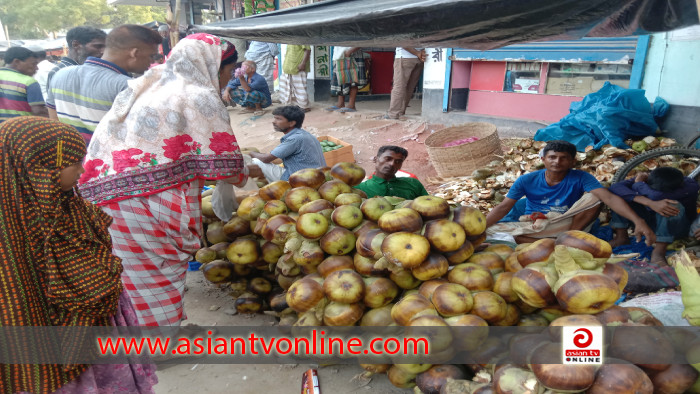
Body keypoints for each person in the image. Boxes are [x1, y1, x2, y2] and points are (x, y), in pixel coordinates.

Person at [78, 33, 247, 327]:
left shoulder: (149, 84)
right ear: (213, 66)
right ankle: (158, 347)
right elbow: (225, 167)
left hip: (106, 197)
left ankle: (158, 329)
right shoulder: (197, 95)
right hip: (145, 203)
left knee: (136, 274)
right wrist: (250, 169)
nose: (228, 80)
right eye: (230, 72)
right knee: (157, 273)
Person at [0, 116, 157, 393]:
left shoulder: (65, 202)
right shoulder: (21, 229)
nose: (82, 171)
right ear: (40, 169)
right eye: (74, 163)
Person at [486, 140, 656, 244]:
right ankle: (555, 243)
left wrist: (638, 220)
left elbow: (609, 198)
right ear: (543, 159)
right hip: (535, 226)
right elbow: (503, 207)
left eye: (563, 158)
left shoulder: (581, 177)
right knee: (490, 232)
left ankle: (567, 238)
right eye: (552, 157)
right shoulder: (526, 179)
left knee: (595, 196)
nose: (557, 162)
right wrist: (481, 227)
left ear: (572, 161)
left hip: (567, 223)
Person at [46, 24, 162, 143]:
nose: (153, 61)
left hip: (70, 156)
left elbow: (54, 122)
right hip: (106, 159)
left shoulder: (60, 75)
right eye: (151, 55)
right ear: (134, 53)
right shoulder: (127, 86)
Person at [609, 167, 699, 265]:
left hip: (676, 228)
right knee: (617, 197)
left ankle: (659, 251)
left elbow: (657, 196)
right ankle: (621, 237)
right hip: (649, 223)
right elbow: (614, 188)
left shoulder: (690, 186)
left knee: (670, 205)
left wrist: (638, 184)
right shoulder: (651, 177)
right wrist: (648, 202)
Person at [247, 105, 326, 182]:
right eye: (275, 118)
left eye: (279, 119)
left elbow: (266, 159)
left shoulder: (294, 139)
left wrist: (250, 153)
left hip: (302, 180)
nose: (274, 122)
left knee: (255, 161)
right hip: (317, 176)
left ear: (291, 123)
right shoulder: (304, 134)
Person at [46, 26, 107, 93]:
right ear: (76, 45)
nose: (103, 51)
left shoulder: (92, 70)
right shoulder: (58, 72)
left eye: (105, 47)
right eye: (98, 46)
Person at [355, 145, 429, 199]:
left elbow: (429, 205)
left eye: (398, 161)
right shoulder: (359, 189)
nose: (392, 164)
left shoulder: (413, 183)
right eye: (388, 159)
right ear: (375, 159)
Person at [0, 47, 47, 122]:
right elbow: (38, 112)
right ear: (17, 62)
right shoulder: (29, 82)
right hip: (21, 130)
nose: (37, 68)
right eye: (34, 64)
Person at [385, 47, 426, 120]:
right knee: (409, 87)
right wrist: (419, 53)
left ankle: (393, 114)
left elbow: (403, 42)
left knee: (399, 86)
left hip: (405, 57)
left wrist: (417, 53)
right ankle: (400, 112)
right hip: (420, 58)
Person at [326, 47, 367, 113]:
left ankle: (351, 105)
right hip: (340, 54)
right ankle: (340, 104)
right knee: (341, 78)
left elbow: (362, 40)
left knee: (353, 80)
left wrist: (350, 51)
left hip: (353, 53)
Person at [278, 44, 311, 112]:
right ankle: (294, 105)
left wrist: (303, 63)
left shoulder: (301, 36)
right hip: (288, 67)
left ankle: (304, 106)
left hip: (299, 68)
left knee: (300, 89)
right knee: (289, 89)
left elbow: (308, 50)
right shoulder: (290, 39)